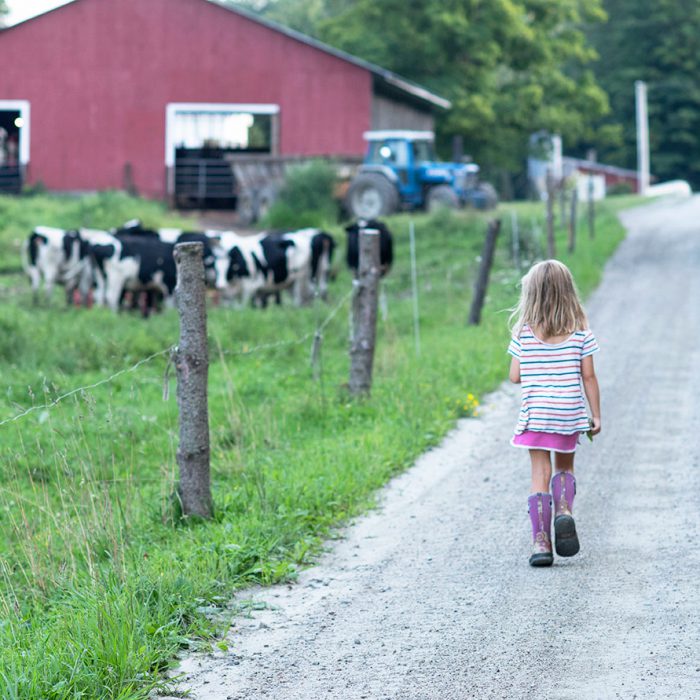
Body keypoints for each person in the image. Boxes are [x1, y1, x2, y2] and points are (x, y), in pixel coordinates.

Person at [507, 260, 601, 567]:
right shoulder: (580, 332)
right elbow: (588, 376)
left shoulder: (524, 333)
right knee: (564, 468)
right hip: (567, 413)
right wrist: (595, 415)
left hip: (536, 415)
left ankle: (541, 544)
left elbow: (515, 376)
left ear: (531, 295)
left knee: (539, 475)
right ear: (568, 292)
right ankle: (563, 510)